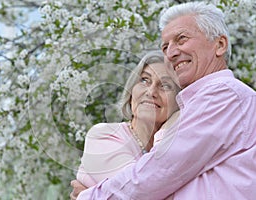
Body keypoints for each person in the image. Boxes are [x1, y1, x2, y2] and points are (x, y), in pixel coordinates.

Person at [71, 1, 256, 199]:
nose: (171, 53)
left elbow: (160, 171)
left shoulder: (223, 95)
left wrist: (89, 197)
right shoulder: (204, 102)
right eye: (165, 46)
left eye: (182, 39)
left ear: (219, 45)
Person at [75, 51, 180, 189]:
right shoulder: (103, 135)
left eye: (165, 85)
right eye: (144, 80)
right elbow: (141, 190)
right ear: (131, 92)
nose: (151, 92)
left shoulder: (180, 145)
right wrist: (167, 129)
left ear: (179, 100)